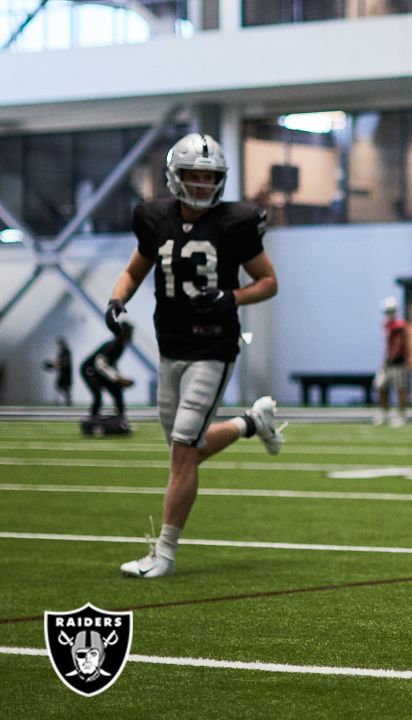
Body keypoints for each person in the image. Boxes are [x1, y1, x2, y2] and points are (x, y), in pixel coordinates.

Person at [106, 132, 284, 579]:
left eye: (210, 177)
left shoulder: (236, 221)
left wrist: (230, 298)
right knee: (187, 449)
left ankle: (163, 552)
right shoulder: (153, 218)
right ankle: (250, 423)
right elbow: (134, 269)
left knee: (184, 449)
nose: (203, 185)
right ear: (175, 177)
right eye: (194, 176)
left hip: (213, 345)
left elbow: (268, 282)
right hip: (171, 344)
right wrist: (116, 299)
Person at [80, 325, 133, 419]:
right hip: (89, 370)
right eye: (129, 332)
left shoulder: (120, 346)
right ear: (122, 333)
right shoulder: (112, 345)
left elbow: (112, 365)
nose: (131, 335)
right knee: (97, 395)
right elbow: (100, 364)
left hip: (98, 371)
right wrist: (118, 379)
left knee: (117, 391)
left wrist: (119, 378)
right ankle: (93, 419)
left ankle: (121, 418)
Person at [374, 296, 409, 427]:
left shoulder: (399, 326)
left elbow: (398, 345)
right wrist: (385, 360)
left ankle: (401, 415)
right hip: (388, 362)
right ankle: (384, 413)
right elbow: (388, 346)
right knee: (380, 385)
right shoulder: (387, 326)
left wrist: (391, 358)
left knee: (400, 388)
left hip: (398, 362)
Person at [44, 337, 73, 406]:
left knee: (63, 386)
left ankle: (67, 401)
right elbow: (59, 362)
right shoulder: (62, 352)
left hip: (66, 371)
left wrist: (54, 365)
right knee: (61, 386)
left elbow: (65, 362)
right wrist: (54, 365)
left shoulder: (66, 351)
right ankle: (67, 401)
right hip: (63, 371)